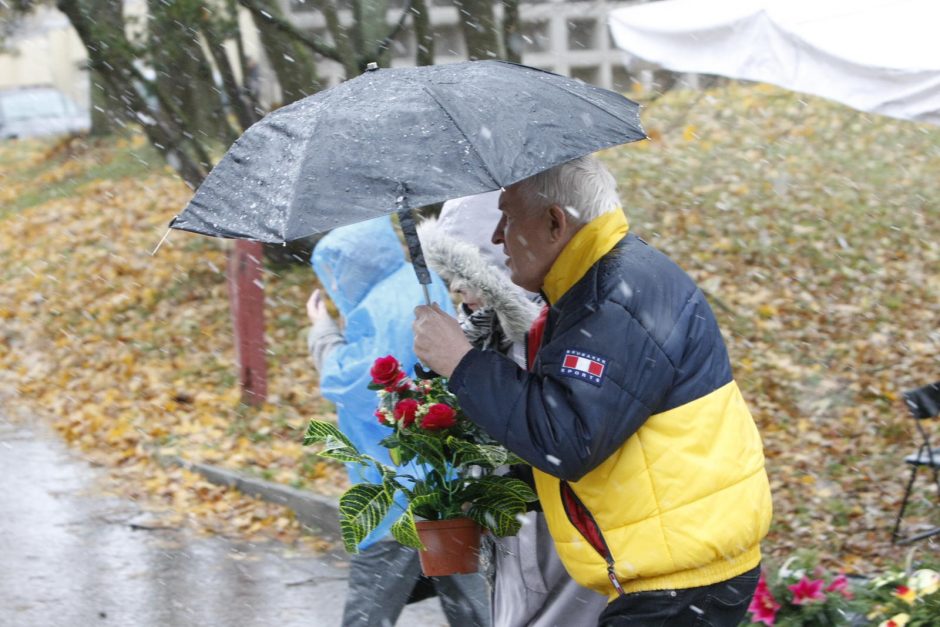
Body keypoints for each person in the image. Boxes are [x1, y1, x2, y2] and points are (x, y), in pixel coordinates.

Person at [412, 155, 773, 626]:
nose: (499, 237)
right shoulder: (599, 283)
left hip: (677, 583)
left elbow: (567, 439)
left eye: (508, 217)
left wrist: (461, 363)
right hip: (680, 569)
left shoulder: (610, 300)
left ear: (555, 223)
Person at [418, 191, 609, 627]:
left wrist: (462, 365)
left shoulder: (552, 335)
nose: (458, 291)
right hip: (512, 539)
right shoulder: (484, 331)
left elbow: (543, 428)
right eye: (450, 277)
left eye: (468, 276)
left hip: (558, 532)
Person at [306, 216, 490, 627]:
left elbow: (350, 381)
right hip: (449, 482)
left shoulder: (378, 309)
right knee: (474, 607)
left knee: (368, 612)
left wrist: (322, 331)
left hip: (395, 494)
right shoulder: (420, 286)